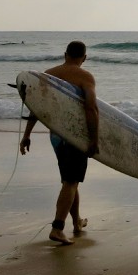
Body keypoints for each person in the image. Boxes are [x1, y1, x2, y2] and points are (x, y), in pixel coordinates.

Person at [19, 41, 100, 245]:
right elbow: (91, 109)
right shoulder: (85, 77)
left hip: (55, 136)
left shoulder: (48, 74)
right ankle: (57, 228)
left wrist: (26, 135)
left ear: (65, 54)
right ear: (85, 57)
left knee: (69, 181)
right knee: (71, 181)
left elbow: (36, 107)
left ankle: (77, 222)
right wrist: (94, 139)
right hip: (75, 135)